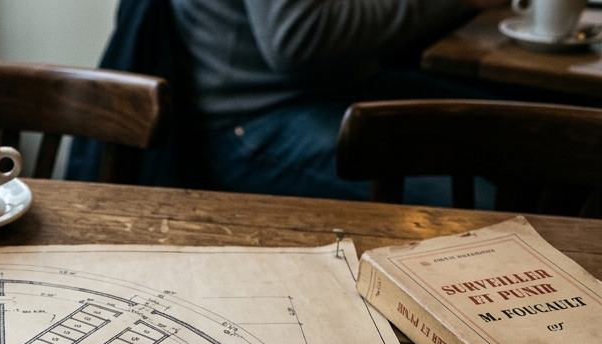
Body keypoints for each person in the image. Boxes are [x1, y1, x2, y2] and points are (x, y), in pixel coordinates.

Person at [171, 0, 509, 200]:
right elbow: (296, 36)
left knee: (531, 142)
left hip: (343, 86)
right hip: (258, 120)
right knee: (487, 208)